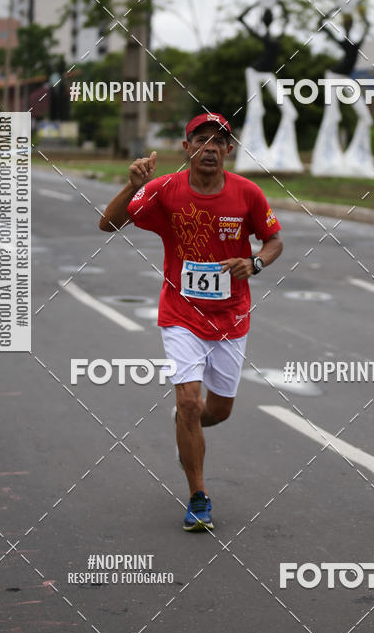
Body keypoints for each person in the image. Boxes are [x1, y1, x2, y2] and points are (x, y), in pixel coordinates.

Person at [99, 112, 283, 531]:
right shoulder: (164, 191)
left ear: (229, 150)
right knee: (188, 403)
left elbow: (274, 240)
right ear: (187, 148)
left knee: (215, 411)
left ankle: (187, 424)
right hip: (181, 315)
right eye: (201, 140)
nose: (211, 148)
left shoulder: (248, 193)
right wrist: (132, 185)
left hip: (232, 318)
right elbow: (107, 224)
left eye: (219, 142)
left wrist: (254, 263)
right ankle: (198, 497)